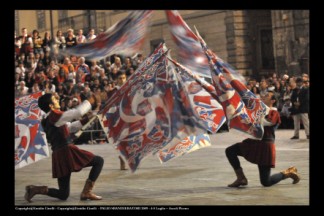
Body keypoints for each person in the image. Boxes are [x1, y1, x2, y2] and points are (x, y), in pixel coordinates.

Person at [24, 92, 104, 202]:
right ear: (51, 106)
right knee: (99, 161)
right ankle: (87, 192)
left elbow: (71, 127)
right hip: (66, 151)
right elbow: (78, 112)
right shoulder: (54, 115)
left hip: (59, 155)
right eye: (55, 99)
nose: (58, 100)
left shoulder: (48, 120)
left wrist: (92, 114)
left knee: (63, 194)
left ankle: (35, 189)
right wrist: (90, 101)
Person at [225, 90, 300, 187]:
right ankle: (241, 178)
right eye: (264, 95)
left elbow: (267, 122)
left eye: (267, 96)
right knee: (230, 151)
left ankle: (288, 173)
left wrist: (251, 116)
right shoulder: (258, 110)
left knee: (266, 182)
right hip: (254, 143)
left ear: (273, 101)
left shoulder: (274, 112)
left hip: (265, 146)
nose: (264, 96)